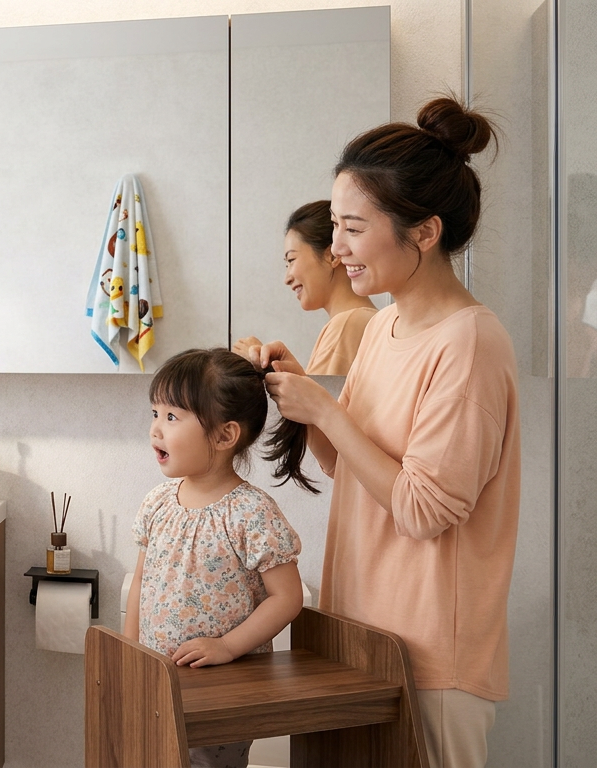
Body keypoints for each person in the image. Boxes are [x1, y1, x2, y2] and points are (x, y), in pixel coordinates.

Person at [243, 97, 520, 768]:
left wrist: (327, 409)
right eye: (335, 226)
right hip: (362, 638)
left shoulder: (470, 342)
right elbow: (349, 468)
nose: (336, 250)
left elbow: (424, 509)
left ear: (423, 233)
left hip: (432, 658)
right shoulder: (386, 328)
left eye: (354, 229)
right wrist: (298, 394)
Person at [122, 348, 303, 768]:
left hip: (221, 689)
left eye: (172, 417)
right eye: (155, 412)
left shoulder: (251, 513)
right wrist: (129, 654)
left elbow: (287, 597)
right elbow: (141, 583)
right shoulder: (158, 503)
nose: (155, 429)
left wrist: (227, 646)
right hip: (156, 683)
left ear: (224, 436)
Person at [233, 200, 378, 375]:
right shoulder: (370, 320)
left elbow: (312, 402)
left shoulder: (347, 324)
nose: (287, 278)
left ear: (332, 256)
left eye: (291, 260)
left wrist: (262, 365)